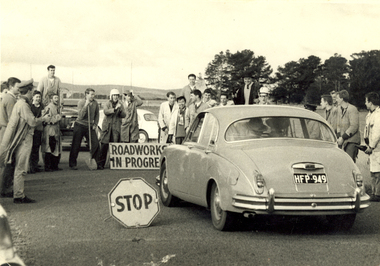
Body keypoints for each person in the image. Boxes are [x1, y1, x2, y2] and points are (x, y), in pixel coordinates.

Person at [0, 79, 49, 203]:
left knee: (17, 167)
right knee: (21, 168)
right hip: (24, 140)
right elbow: (32, 121)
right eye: (32, 90)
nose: (33, 92)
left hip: (18, 140)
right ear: (28, 91)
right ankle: (19, 196)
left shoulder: (19, 103)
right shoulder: (23, 105)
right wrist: (43, 118)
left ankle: (18, 193)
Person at [69, 88, 100, 170]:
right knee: (76, 145)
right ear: (86, 95)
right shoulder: (81, 102)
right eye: (91, 94)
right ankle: (72, 164)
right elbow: (80, 116)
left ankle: (95, 161)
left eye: (94, 94)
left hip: (90, 126)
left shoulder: (95, 103)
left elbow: (97, 114)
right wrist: (86, 105)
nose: (93, 96)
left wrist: (95, 124)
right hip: (80, 125)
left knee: (95, 143)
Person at [0, 77, 20, 197]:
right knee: (8, 161)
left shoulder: (7, 97)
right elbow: (12, 120)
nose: (19, 89)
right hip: (8, 132)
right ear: (11, 87)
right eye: (17, 87)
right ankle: (5, 189)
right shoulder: (10, 99)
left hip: (4, 131)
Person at [98, 89, 126, 169]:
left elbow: (124, 115)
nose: (115, 97)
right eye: (114, 95)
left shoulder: (121, 104)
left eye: (117, 95)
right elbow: (106, 111)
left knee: (115, 146)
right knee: (104, 145)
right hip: (107, 128)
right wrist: (114, 109)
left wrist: (120, 110)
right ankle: (101, 164)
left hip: (115, 128)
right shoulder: (107, 103)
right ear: (111, 96)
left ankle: (113, 164)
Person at [363, 92, 380, 202]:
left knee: (378, 172)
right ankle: (374, 192)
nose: (365, 103)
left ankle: (377, 194)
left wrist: (371, 147)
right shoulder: (370, 114)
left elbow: (377, 133)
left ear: (371, 102)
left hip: (377, 148)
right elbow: (367, 131)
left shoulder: (378, 115)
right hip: (371, 147)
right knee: (373, 171)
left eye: (366, 101)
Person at [336, 90, 360, 162]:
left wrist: (343, 137)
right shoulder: (339, 109)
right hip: (342, 140)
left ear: (342, 99)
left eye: (337, 98)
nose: (336, 100)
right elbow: (338, 125)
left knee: (349, 161)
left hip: (351, 140)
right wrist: (339, 136)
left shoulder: (352, 109)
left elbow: (354, 126)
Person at [42, 94, 62, 172]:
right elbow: (47, 119)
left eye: (57, 97)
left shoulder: (57, 107)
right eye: (55, 98)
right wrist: (57, 117)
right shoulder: (48, 108)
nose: (57, 99)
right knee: (49, 147)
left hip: (56, 129)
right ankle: (48, 166)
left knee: (55, 147)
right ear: (51, 99)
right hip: (50, 129)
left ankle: (54, 166)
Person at [29, 90, 45, 173]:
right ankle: (30, 167)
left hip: (39, 130)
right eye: (37, 97)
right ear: (33, 97)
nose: (38, 98)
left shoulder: (42, 106)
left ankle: (35, 165)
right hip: (31, 130)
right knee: (30, 148)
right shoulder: (29, 107)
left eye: (39, 97)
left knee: (36, 148)